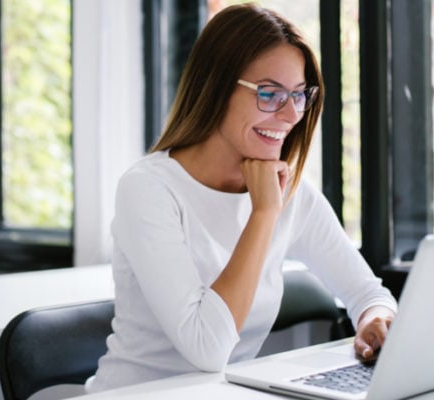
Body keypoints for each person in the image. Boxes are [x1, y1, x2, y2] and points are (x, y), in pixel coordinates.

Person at [86, 3, 397, 393]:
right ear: (215, 88)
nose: (289, 115)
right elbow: (207, 349)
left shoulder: (291, 191)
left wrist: (375, 318)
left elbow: (368, 292)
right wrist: (264, 212)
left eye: (300, 96)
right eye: (269, 94)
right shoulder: (149, 189)